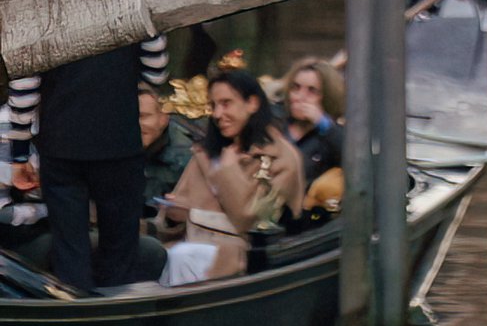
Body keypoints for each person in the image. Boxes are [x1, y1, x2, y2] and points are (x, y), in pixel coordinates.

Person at [5, 36, 169, 294]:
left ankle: (75, 313)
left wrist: (20, 154)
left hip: (61, 145)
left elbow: (25, 85)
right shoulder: (129, 8)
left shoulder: (40, 12)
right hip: (119, 143)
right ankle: (115, 314)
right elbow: (156, 73)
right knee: (120, 252)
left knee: (69, 253)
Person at [157, 66, 304, 286]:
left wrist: (227, 170)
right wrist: (171, 217)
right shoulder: (205, 153)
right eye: (213, 106)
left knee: (182, 256)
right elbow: (174, 213)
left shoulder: (281, 158)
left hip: (241, 263)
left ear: (252, 103)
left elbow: (253, 221)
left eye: (226, 104)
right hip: (180, 249)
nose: (217, 114)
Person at [279, 61, 344, 191]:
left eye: (312, 91)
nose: (300, 97)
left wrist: (322, 122)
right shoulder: (276, 123)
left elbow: (353, 161)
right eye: (295, 88)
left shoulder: (332, 133)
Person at [138, 84, 197, 218]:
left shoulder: (187, 157)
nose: (136, 124)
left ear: (163, 118)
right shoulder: (111, 147)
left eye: (143, 116)